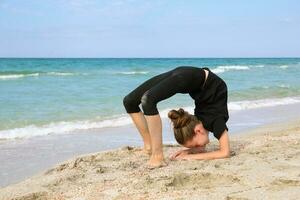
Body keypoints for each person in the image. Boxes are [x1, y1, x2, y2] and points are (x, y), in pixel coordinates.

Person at [122, 66, 230, 168]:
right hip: (199, 80)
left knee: (133, 101)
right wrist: (190, 155)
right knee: (138, 101)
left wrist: (188, 153)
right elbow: (225, 152)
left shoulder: (198, 123)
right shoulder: (217, 121)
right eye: (195, 146)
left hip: (191, 76)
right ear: (198, 131)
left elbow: (220, 151)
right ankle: (156, 154)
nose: (198, 148)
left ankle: (152, 149)